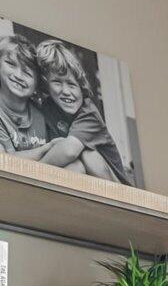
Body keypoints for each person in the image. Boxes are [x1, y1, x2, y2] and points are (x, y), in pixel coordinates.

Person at [34, 39, 136, 185]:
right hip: (84, 179)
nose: (66, 91)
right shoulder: (47, 108)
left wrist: (34, 172)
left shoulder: (89, 113)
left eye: (71, 84)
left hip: (117, 186)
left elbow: (69, 150)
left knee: (87, 156)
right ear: (46, 85)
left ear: (81, 87)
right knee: (75, 167)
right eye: (57, 82)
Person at [0, 31, 50, 155]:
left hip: (31, 167)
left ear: (37, 83)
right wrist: (46, 149)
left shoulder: (42, 112)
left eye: (27, 73)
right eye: (11, 64)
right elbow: (9, 159)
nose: (18, 76)